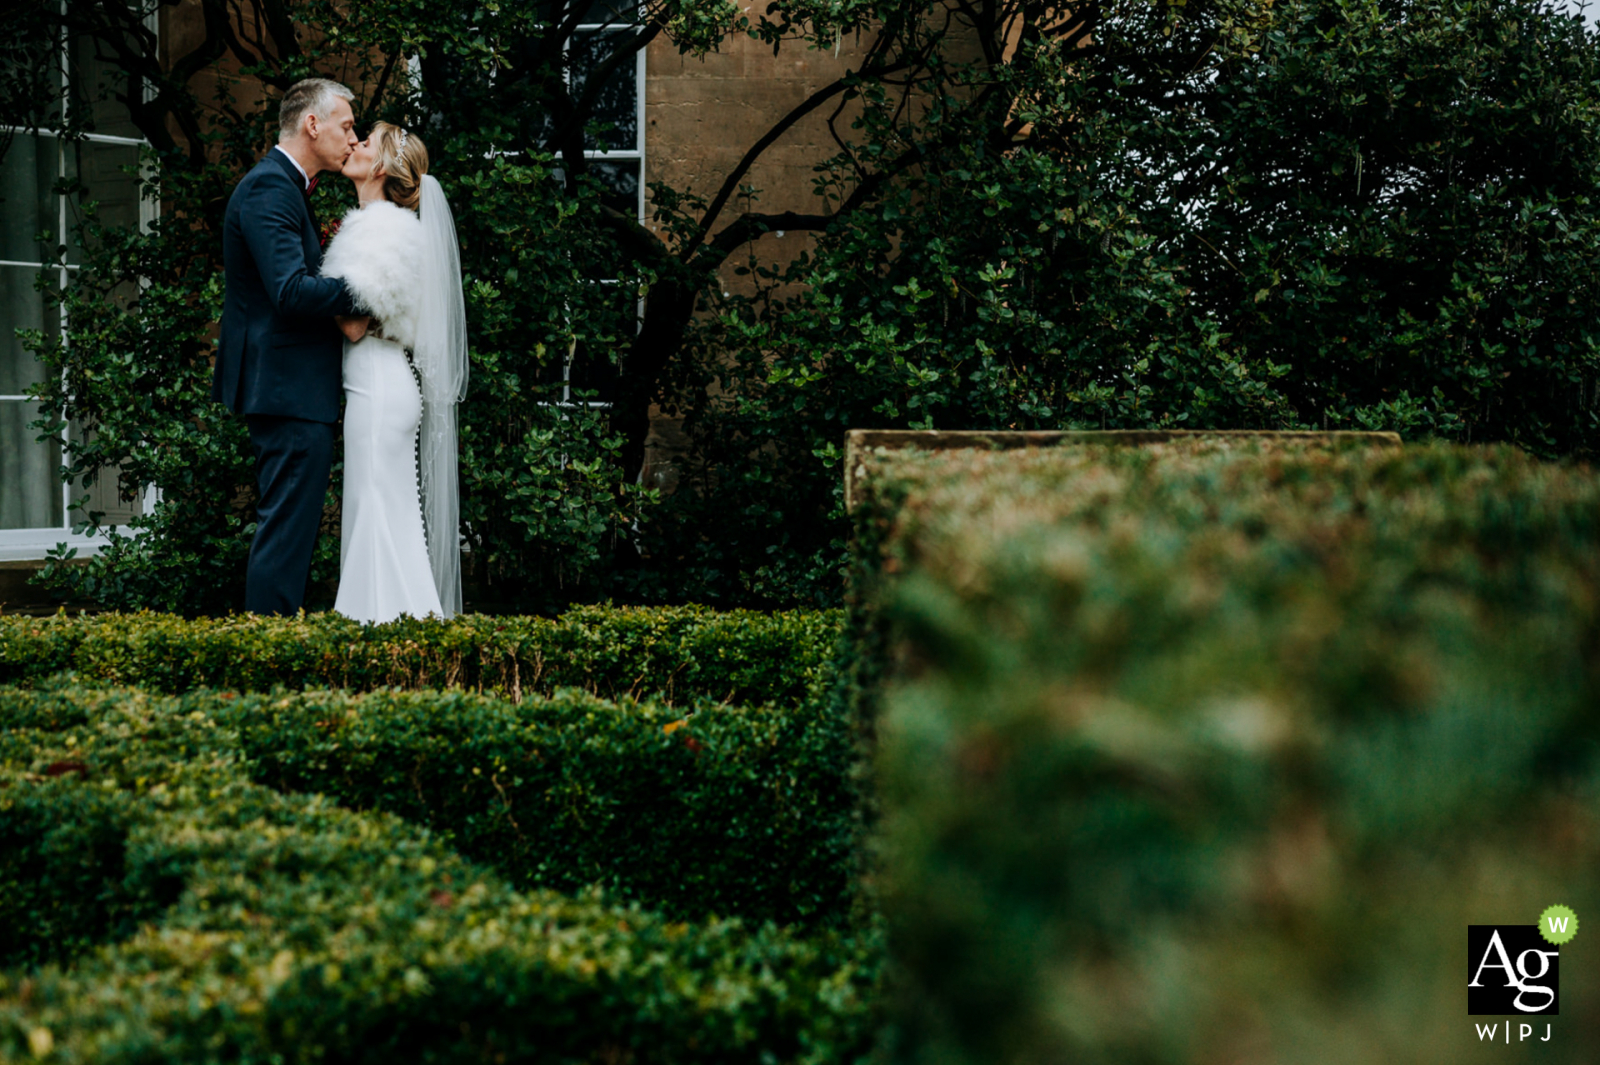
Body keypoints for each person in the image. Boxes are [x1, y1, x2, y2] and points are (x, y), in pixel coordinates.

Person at [213, 78, 361, 615]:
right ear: (312, 124)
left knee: (290, 531)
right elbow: (291, 291)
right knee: (285, 533)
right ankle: (271, 662)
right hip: (287, 390)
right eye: (346, 125)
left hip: (291, 388)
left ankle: (274, 650)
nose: (353, 137)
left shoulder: (284, 187)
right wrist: (375, 289)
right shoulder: (270, 189)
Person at [319, 122, 468, 622]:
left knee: (374, 516)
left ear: (380, 166)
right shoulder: (384, 225)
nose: (354, 144)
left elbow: (356, 325)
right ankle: (406, 625)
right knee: (386, 516)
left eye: (366, 142)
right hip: (381, 383)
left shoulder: (380, 228)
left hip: (378, 387)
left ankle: (373, 627)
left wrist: (303, 282)